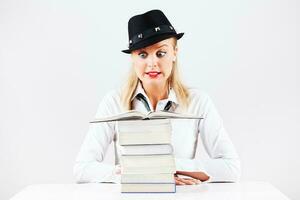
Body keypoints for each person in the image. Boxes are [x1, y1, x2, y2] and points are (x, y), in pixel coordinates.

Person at [73, 9, 241, 185]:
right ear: (133, 58)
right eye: (142, 54)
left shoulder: (198, 102)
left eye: (161, 53)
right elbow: (83, 168)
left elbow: (231, 169)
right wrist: (135, 174)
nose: (152, 63)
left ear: (175, 52)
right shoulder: (114, 101)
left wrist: (170, 166)